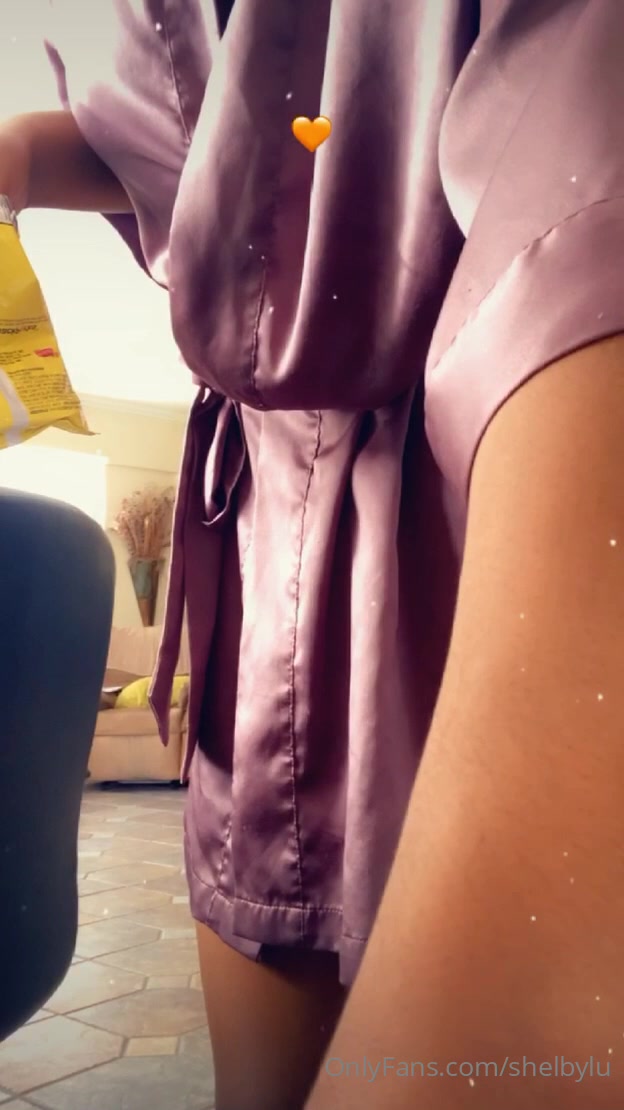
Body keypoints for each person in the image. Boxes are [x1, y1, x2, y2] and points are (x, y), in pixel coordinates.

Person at [3, 0, 624, 1106]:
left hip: (485, 488)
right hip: (265, 551)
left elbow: (582, 189)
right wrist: (18, 151)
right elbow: (205, 154)